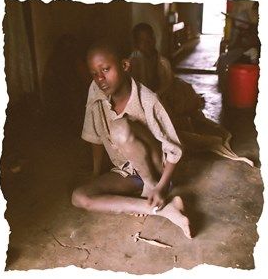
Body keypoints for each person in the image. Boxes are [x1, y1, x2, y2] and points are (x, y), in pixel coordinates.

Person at [71, 41, 192, 239]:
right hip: (126, 171)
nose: (100, 79)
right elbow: (95, 137)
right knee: (79, 196)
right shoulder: (95, 90)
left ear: (125, 66)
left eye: (106, 70)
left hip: (155, 170)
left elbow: (174, 150)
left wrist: (161, 186)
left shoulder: (147, 100)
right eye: (94, 73)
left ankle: (152, 190)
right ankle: (163, 209)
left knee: (120, 128)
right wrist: (95, 173)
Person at [129, 23, 254, 167]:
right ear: (136, 44)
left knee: (182, 107)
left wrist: (162, 97)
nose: (147, 44)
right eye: (142, 41)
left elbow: (167, 85)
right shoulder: (134, 61)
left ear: (154, 39)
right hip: (147, 101)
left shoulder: (162, 62)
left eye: (149, 40)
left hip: (163, 97)